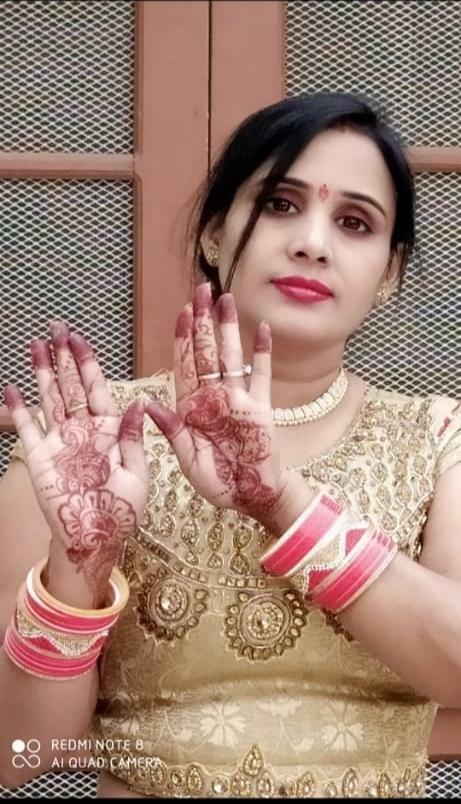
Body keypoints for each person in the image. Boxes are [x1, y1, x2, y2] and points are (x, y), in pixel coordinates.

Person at [1, 92, 461, 800]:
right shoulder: (92, 444)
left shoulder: (437, 439)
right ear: (215, 234)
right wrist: (78, 572)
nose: (312, 242)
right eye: (279, 204)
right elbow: (16, 753)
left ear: (389, 273)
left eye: (353, 222)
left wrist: (285, 506)